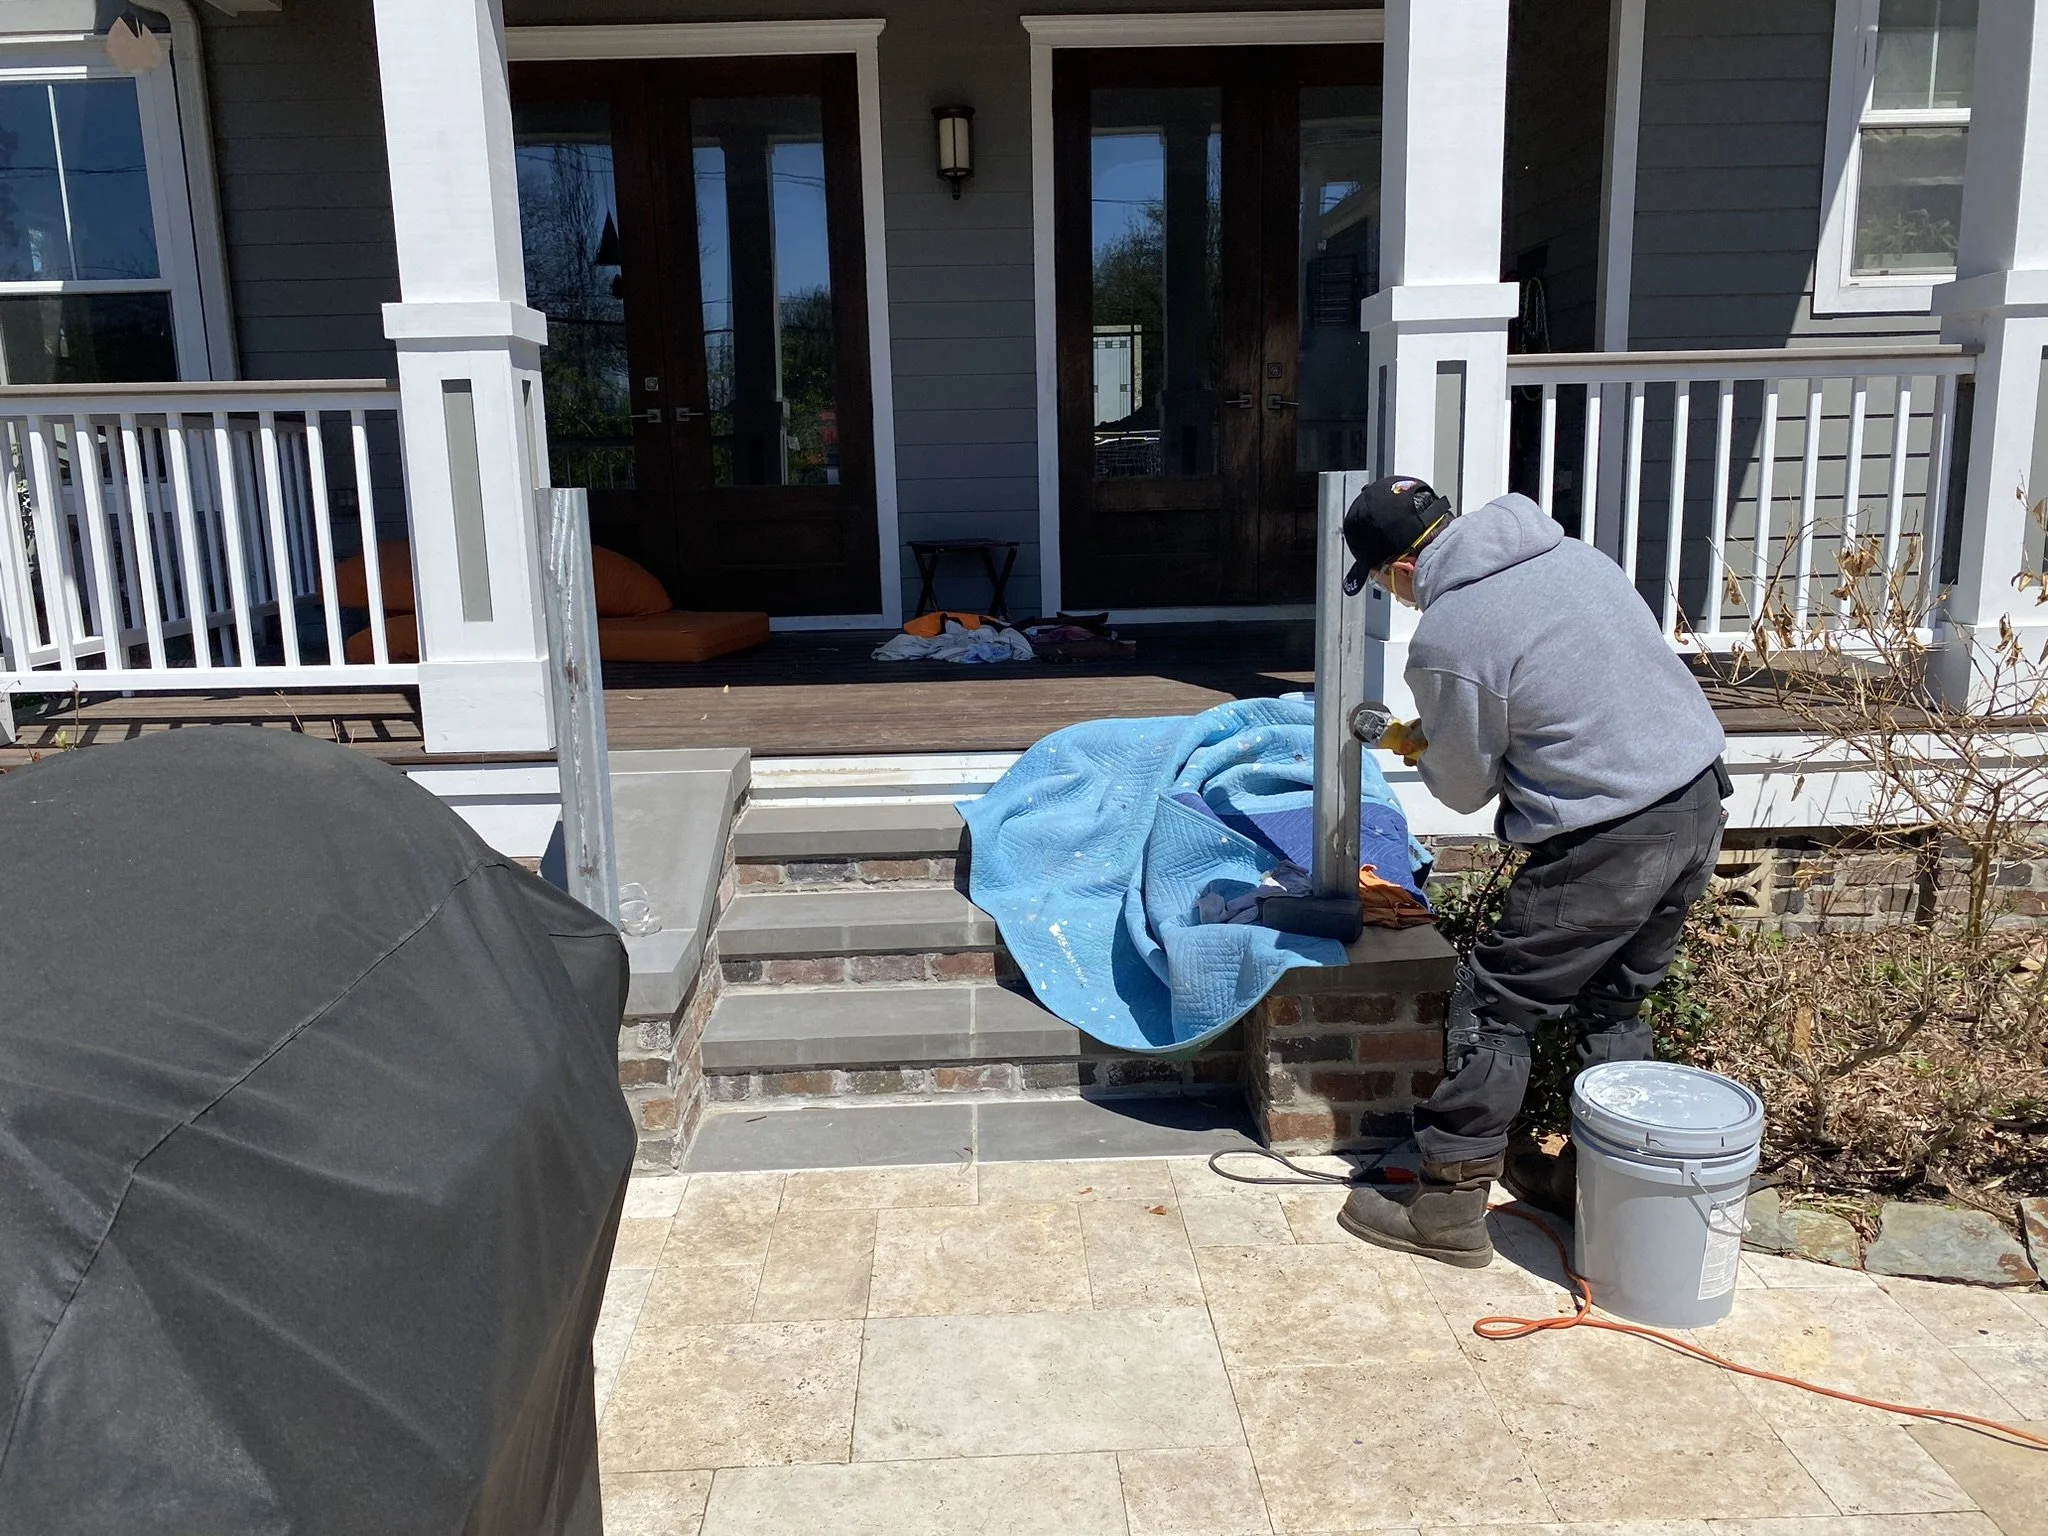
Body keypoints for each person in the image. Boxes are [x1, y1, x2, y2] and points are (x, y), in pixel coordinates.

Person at [1333, 475, 1729, 1269]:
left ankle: (1445, 1205)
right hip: (1695, 802)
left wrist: (1429, 741)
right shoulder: (1575, 558)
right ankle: (1602, 1187)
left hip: (1607, 834)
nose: (1395, 599)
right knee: (1613, 1003)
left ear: (1399, 569)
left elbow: (1464, 785)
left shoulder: (1453, 633)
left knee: (1496, 1006)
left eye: (1381, 583)